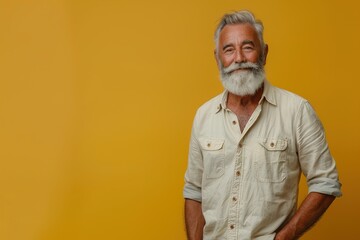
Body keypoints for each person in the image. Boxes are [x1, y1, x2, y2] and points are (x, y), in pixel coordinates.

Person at [183, 10, 342, 240]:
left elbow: (326, 183)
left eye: (248, 47)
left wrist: (283, 238)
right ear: (218, 58)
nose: (238, 58)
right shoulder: (203, 116)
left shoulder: (296, 111)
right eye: (229, 49)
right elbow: (193, 191)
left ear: (264, 53)